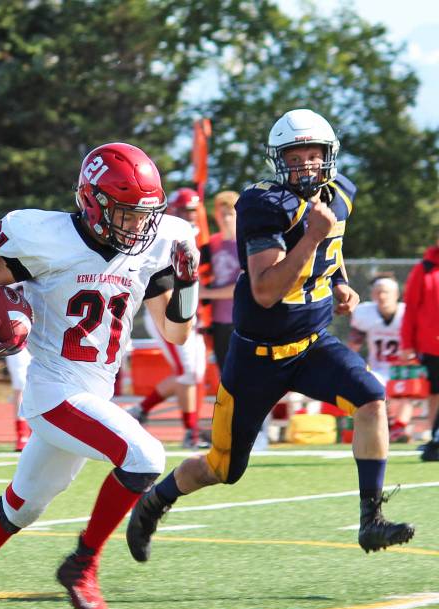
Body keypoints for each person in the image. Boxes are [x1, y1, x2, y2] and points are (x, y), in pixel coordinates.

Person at [0, 142, 199, 609]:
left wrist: (187, 286)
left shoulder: (158, 244)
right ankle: (82, 563)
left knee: (21, 507)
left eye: (145, 214)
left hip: (95, 393)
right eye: (126, 213)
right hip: (53, 389)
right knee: (144, 456)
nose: (139, 225)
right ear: (92, 202)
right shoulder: (45, 238)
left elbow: (176, 335)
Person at [127, 109, 415, 565]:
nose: (304, 164)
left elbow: (331, 244)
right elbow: (265, 291)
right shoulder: (263, 204)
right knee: (223, 467)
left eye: (312, 154)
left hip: (313, 344)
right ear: (278, 160)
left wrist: (338, 280)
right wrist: (312, 239)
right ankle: (155, 501)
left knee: (372, 399)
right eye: (294, 156)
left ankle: (370, 518)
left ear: (328, 156)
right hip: (257, 356)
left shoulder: (341, 195)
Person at [130, 188, 209, 448]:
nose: (189, 215)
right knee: (187, 373)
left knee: (194, 374)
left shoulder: (195, 234)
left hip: (189, 311)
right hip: (164, 308)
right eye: (184, 210)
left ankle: (141, 410)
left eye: (192, 210)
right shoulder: (162, 234)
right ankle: (191, 432)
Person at [349, 276, 413, 443]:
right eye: (377, 292)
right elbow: (354, 345)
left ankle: (398, 427)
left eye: (385, 292)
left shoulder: (407, 313)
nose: (381, 296)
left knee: (413, 384)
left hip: (403, 368)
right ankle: (387, 426)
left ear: (396, 294)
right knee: (371, 389)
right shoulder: (365, 313)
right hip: (377, 368)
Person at [401, 234, 439, 460]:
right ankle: (432, 437)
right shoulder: (424, 269)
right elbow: (411, 309)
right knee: (434, 393)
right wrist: (407, 344)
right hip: (431, 344)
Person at [204, 191, 241, 369]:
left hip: (241, 319)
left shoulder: (245, 243)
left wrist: (205, 293)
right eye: (222, 214)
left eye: (231, 214)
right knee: (224, 373)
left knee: (243, 374)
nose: (226, 219)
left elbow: (241, 286)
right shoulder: (211, 243)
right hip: (217, 321)